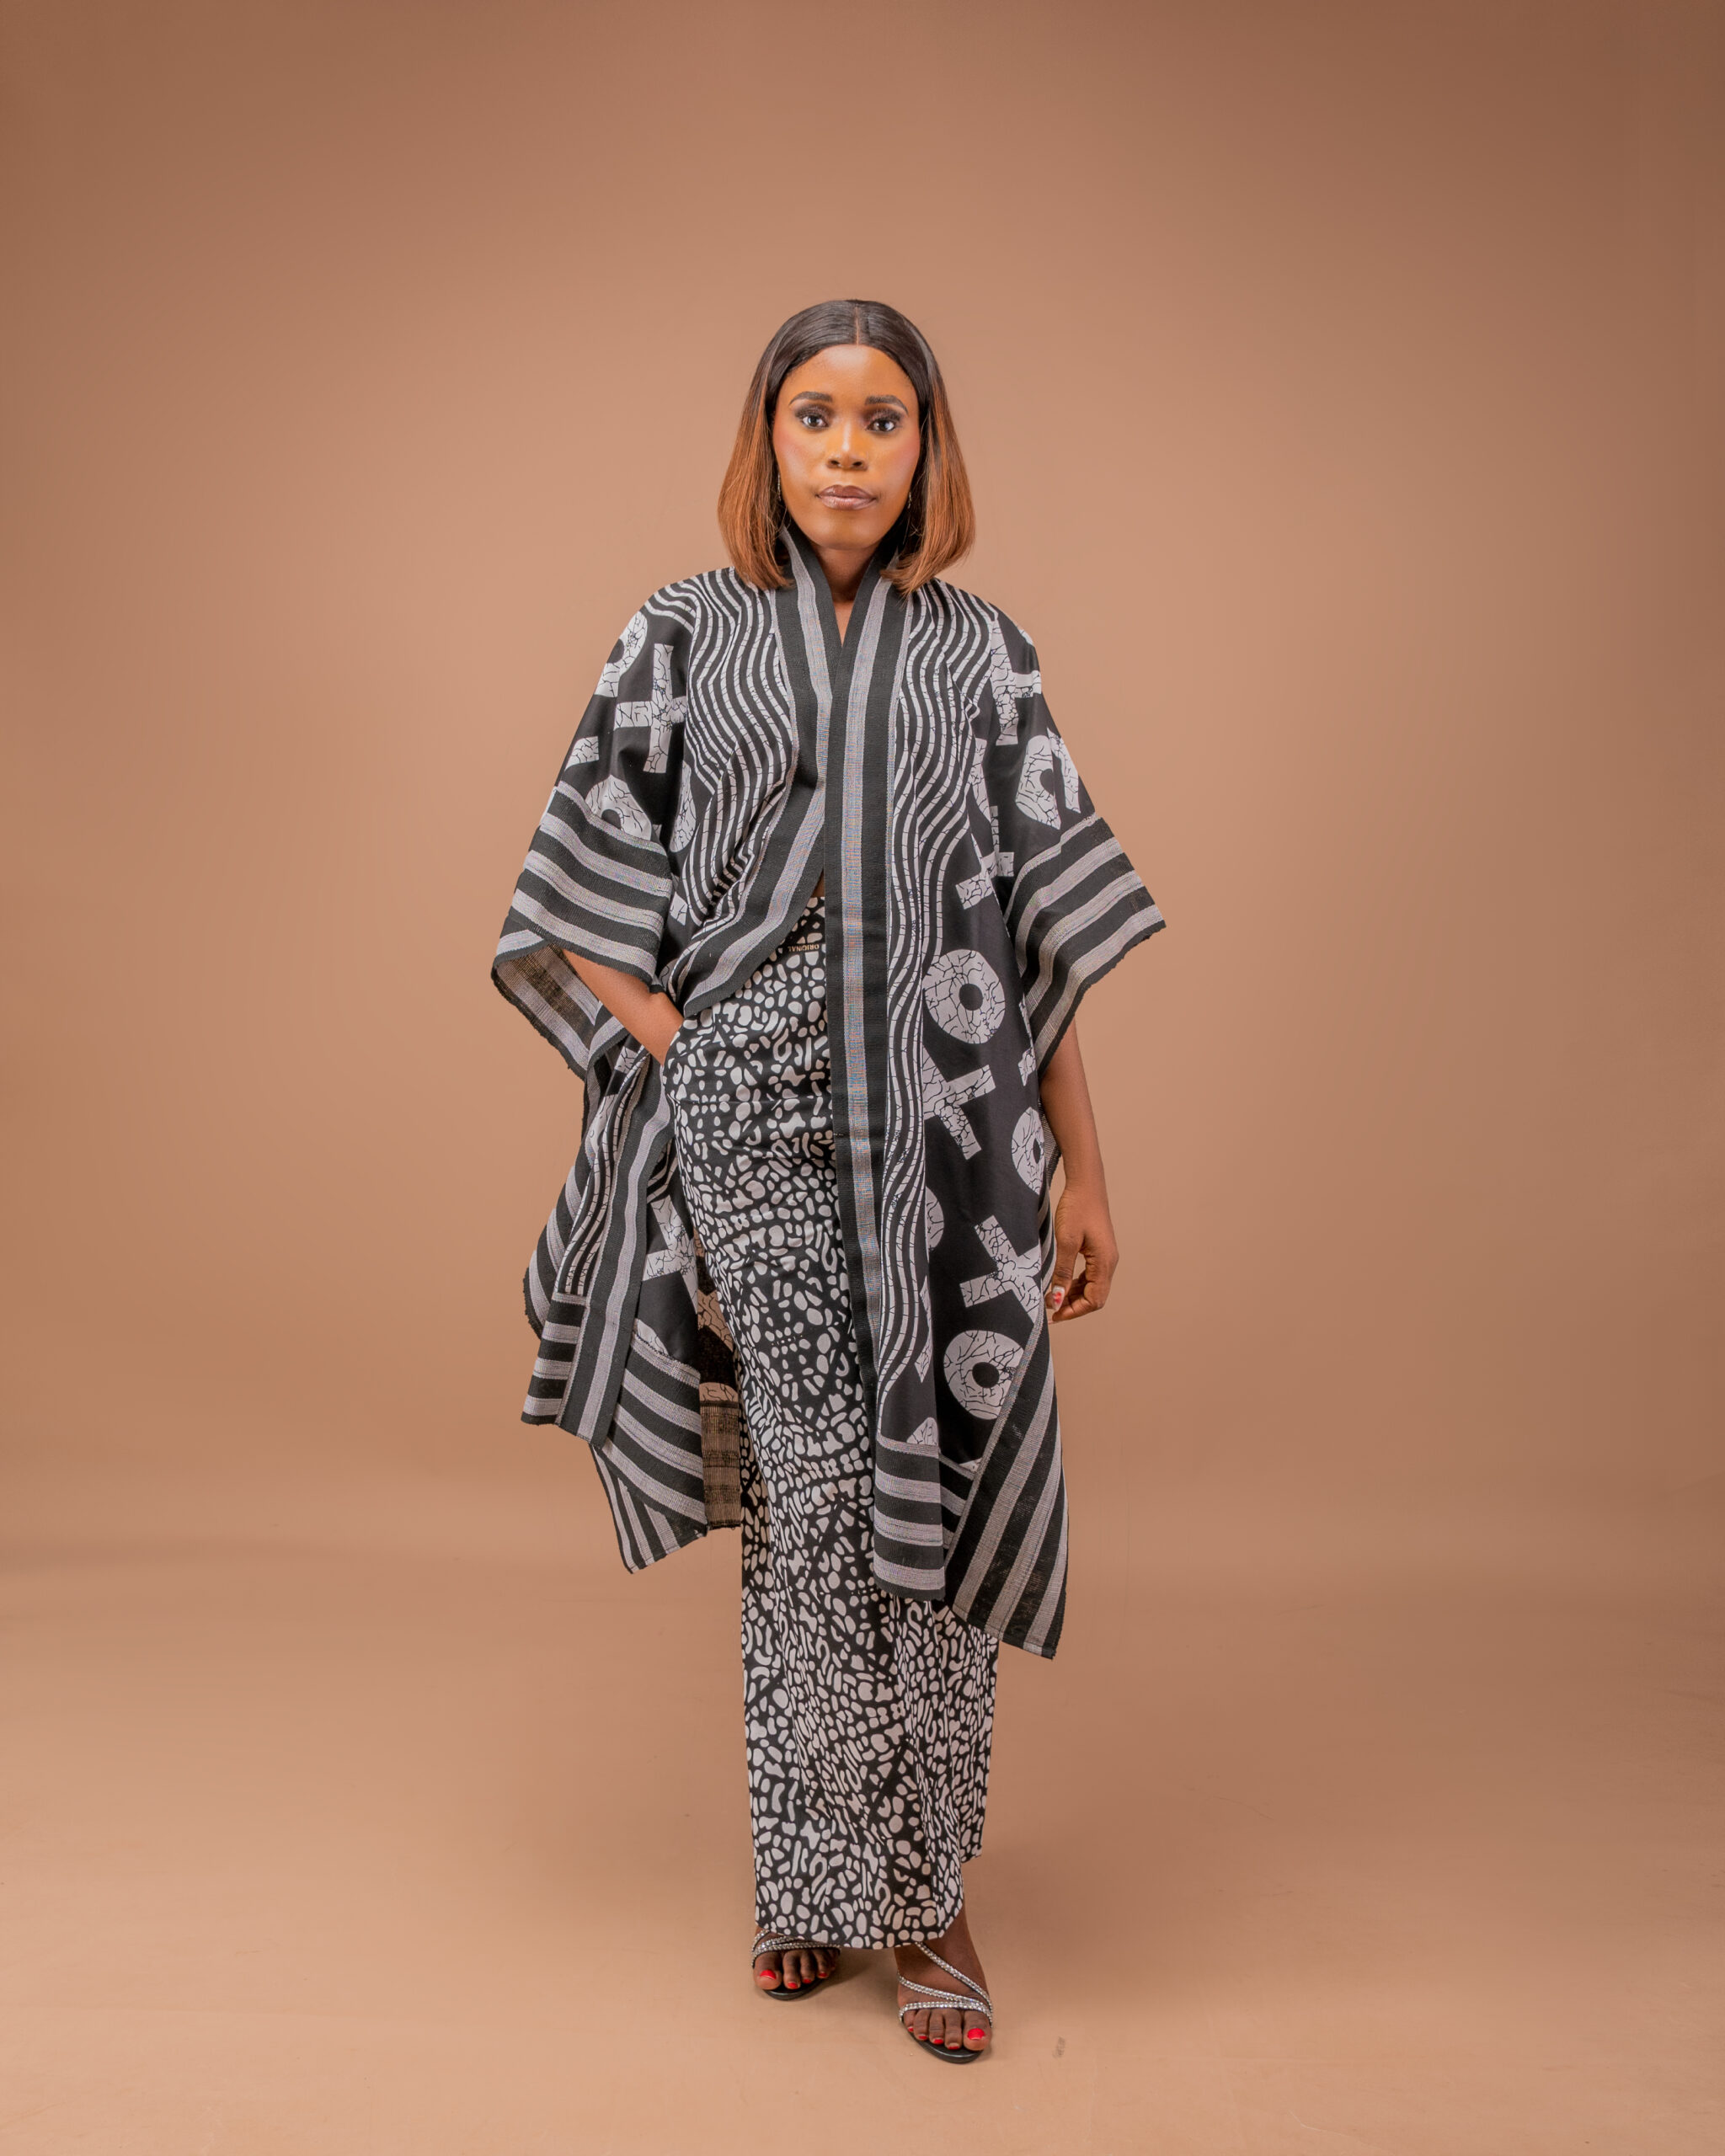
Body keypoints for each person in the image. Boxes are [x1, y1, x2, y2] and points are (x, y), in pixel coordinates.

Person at [492, 299, 1162, 2061]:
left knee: (933, 1468)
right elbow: (572, 879)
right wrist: (685, 1047)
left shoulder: (983, 654)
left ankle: (891, 1883)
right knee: (816, 1500)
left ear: (927, 447)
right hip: (757, 1122)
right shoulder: (681, 632)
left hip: (955, 1122)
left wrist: (1087, 1174)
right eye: (814, 414)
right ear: (766, 439)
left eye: (883, 417)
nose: (848, 449)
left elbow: (1039, 940)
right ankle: (852, 1884)